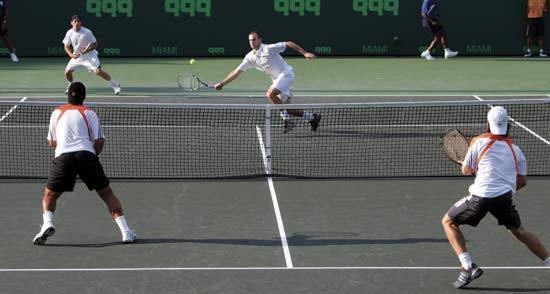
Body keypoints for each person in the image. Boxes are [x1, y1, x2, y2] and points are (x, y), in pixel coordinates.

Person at [441, 106, 550, 289]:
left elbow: (466, 170)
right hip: (504, 198)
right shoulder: (516, 150)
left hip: (480, 197)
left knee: (448, 222)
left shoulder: (478, 142)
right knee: (519, 232)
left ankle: (468, 267)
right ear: (507, 125)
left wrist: (479, 173)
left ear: (488, 124)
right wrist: (504, 187)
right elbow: (522, 181)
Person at [33, 82, 136, 245]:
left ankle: (47, 223)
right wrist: (92, 156)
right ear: (84, 97)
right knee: (107, 194)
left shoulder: (56, 112)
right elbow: (100, 141)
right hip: (86, 156)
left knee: (50, 195)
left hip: (63, 158)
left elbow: (52, 142)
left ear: (68, 95)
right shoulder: (90, 113)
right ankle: (126, 232)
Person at [213, 31, 321, 133]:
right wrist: (222, 83)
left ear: (260, 39)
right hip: (277, 80)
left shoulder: (268, 49)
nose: (252, 42)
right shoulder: (249, 57)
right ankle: (313, 117)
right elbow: (236, 72)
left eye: (254, 39)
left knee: (270, 94)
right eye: (250, 40)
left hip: (286, 74)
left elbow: (288, 43)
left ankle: (288, 121)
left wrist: (305, 53)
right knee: (288, 109)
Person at [62, 15, 121, 95]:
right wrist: (71, 55)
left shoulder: (87, 32)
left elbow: (96, 44)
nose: (76, 23)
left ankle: (115, 84)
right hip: (77, 57)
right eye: (75, 21)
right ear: (71, 23)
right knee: (67, 72)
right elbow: (66, 46)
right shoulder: (69, 33)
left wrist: (87, 50)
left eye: (78, 21)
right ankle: (71, 84)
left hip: (90, 56)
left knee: (98, 72)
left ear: (81, 23)